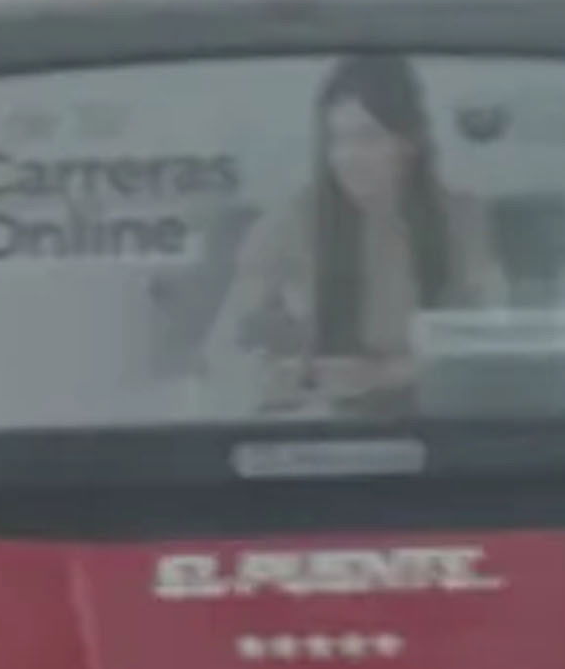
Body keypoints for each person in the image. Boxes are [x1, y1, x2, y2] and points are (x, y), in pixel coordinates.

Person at [211, 52, 508, 415]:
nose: (348, 157)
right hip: (316, 428)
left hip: (439, 424)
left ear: (409, 142)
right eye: (338, 140)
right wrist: (286, 376)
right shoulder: (288, 224)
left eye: (367, 138)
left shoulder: (461, 220)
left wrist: (382, 376)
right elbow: (223, 354)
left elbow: (489, 344)